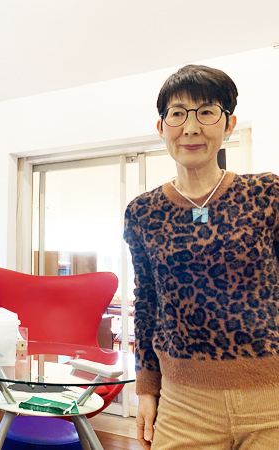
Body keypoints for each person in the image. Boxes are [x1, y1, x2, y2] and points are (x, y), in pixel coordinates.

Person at [124, 64, 279, 450]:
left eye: (207, 112)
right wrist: (146, 388)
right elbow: (146, 304)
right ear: (162, 128)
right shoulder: (142, 213)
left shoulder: (268, 195)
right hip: (183, 404)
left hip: (271, 397)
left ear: (229, 125)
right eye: (177, 113)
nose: (191, 128)